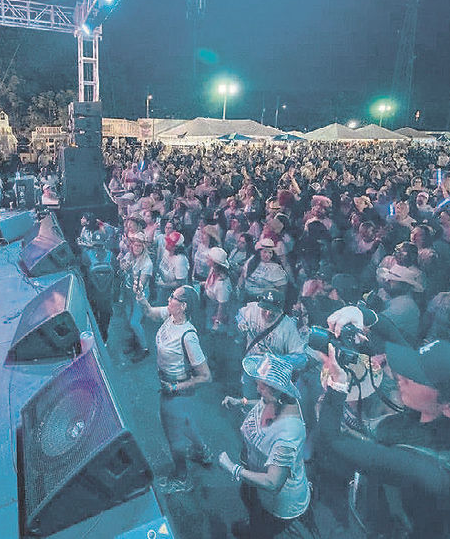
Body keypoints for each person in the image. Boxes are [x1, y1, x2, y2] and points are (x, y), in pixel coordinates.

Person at [319, 306, 450, 538]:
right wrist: (363, 315)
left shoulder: (426, 469)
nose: (402, 376)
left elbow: (333, 440)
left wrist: (337, 384)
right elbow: (395, 337)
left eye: (415, 377)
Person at [218, 353, 313, 538]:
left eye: (261, 385)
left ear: (276, 390)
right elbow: (263, 402)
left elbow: (273, 483)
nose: (257, 388)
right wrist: (242, 402)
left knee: (260, 530)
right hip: (256, 480)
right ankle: (252, 522)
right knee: (250, 502)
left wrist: (233, 469)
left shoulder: (288, 433)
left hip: (278, 504)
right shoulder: (277, 399)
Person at [135, 285, 214, 494]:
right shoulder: (170, 317)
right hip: (169, 386)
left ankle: (181, 477)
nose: (169, 299)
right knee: (185, 422)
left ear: (184, 306)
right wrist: (141, 297)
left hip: (176, 391)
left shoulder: (188, 335)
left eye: (173, 297)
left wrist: (175, 386)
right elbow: (150, 312)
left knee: (173, 435)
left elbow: (206, 376)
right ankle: (203, 453)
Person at [118, 231, 154, 362]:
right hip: (128, 293)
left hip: (139, 296)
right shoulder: (129, 255)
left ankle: (144, 349)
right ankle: (135, 343)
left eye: (139, 245)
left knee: (135, 322)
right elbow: (121, 265)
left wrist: (130, 273)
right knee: (129, 319)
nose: (136, 247)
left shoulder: (147, 263)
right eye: (134, 245)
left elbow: (142, 284)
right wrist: (123, 266)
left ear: (143, 246)